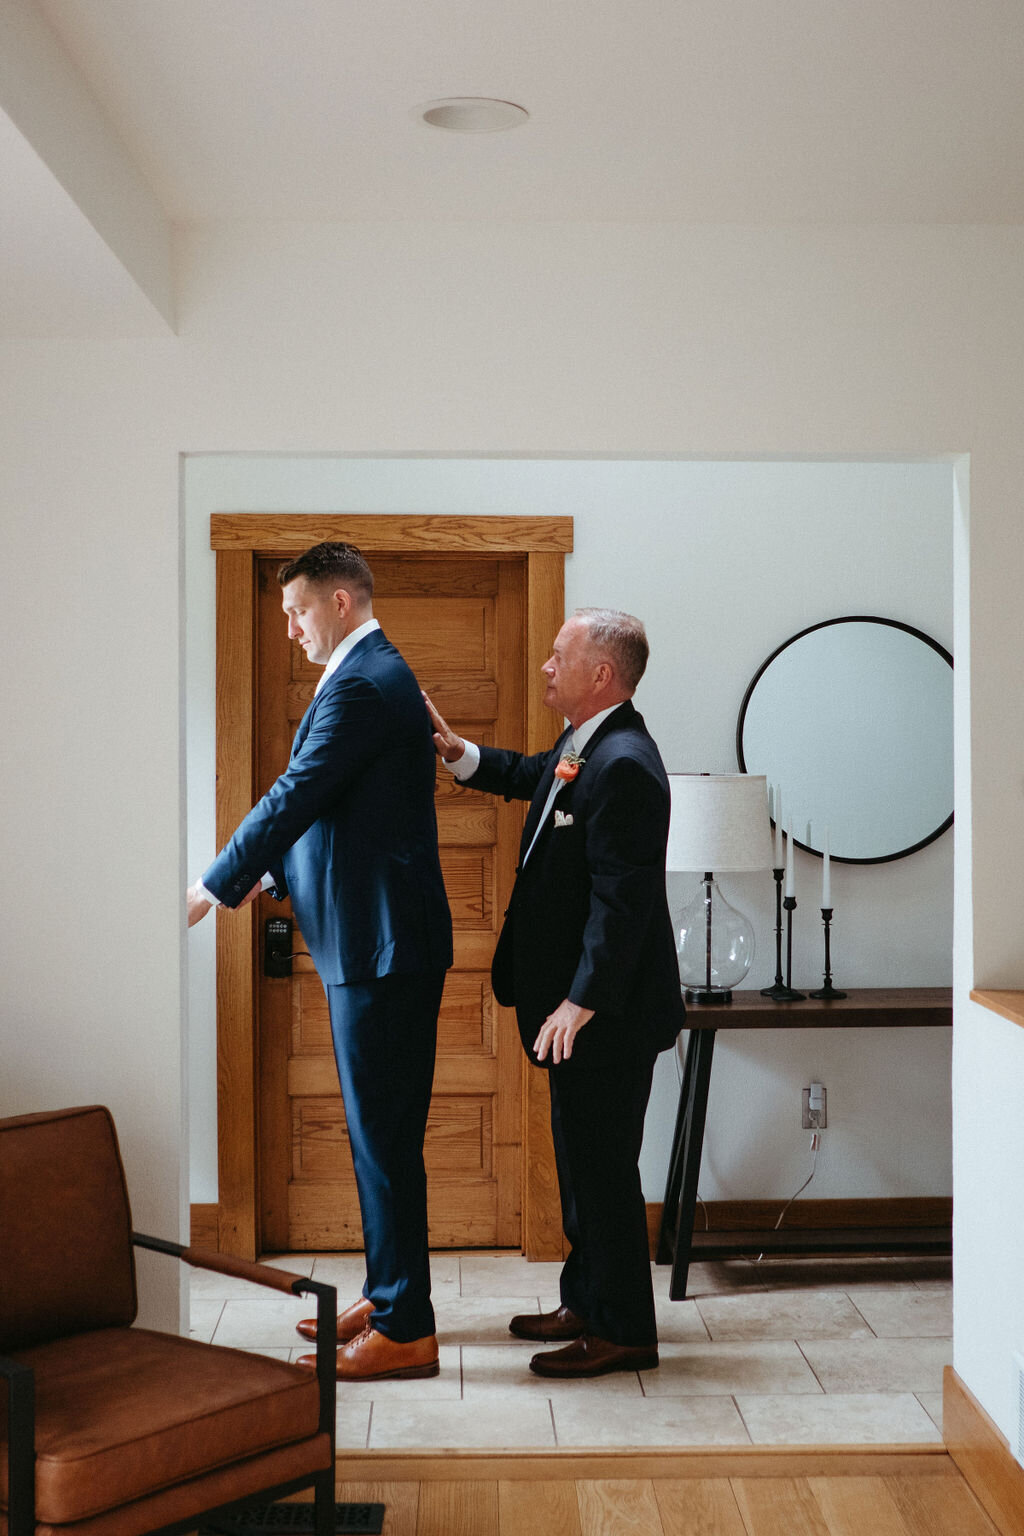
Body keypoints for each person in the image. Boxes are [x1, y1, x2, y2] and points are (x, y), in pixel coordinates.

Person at [188, 541, 452, 1382]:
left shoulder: (368, 679)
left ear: (341, 601)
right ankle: (390, 1290)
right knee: (381, 1136)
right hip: (375, 940)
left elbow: (297, 792)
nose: (291, 628)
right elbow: (338, 813)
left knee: (382, 1138)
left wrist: (212, 884)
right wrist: (271, 874)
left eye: (298, 611)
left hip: (383, 947)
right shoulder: (367, 673)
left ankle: (407, 1328)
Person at [424, 608, 684, 1378]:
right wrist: (461, 754)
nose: (545, 665)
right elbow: (537, 777)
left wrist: (581, 1000)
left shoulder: (627, 761)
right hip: (572, 1010)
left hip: (606, 1013)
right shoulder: (588, 745)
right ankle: (586, 1300)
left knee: (603, 1169)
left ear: (601, 674)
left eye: (559, 655)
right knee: (579, 1161)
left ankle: (625, 1331)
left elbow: (623, 901)